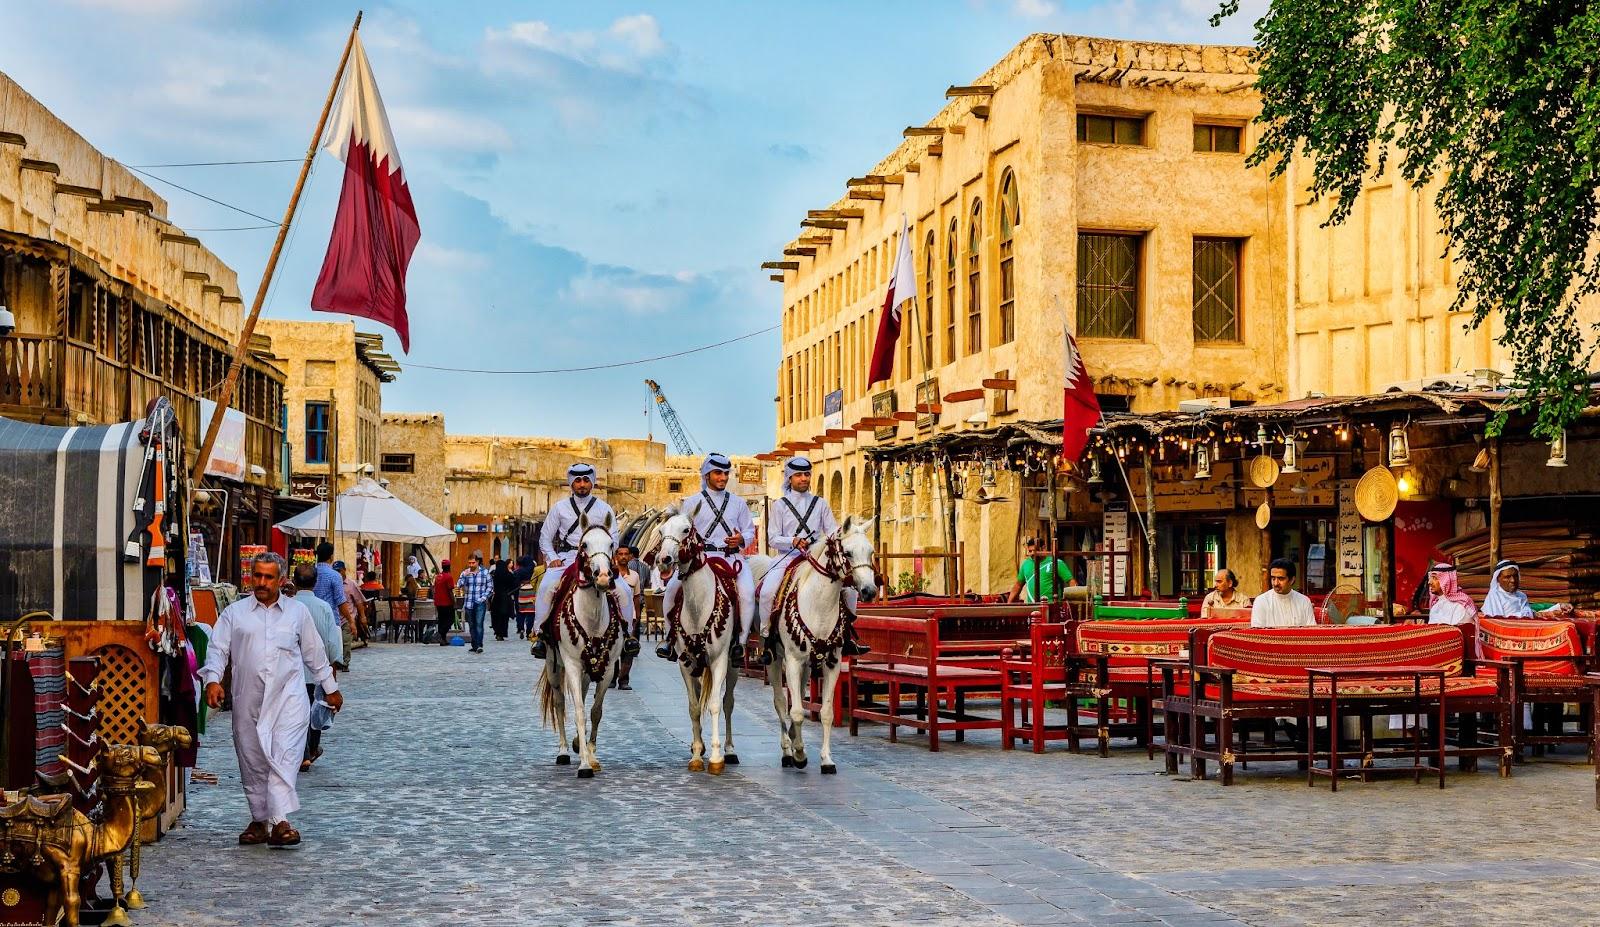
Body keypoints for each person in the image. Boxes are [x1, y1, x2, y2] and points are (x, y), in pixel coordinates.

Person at [200, 552, 342, 848]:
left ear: (281, 580)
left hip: (289, 699)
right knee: (252, 758)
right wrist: (212, 680)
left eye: (268, 577)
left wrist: (329, 686)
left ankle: (280, 822)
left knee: (285, 756)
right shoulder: (234, 614)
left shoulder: (296, 613)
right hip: (247, 698)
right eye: (257, 576)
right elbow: (218, 650)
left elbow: (314, 654)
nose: (262, 583)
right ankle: (259, 819)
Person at [756, 455, 869, 661]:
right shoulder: (780, 505)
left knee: (850, 590)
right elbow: (773, 538)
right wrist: (792, 541)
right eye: (798, 475)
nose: (804, 479)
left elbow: (833, 531)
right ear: (789, 478)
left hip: (817, 559)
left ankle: (846, 635)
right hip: (788, 557)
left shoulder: (821, 504)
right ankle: (767, 636)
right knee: (767, 591)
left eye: (807, 474)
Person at [530, 463, 640, 660]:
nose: (582, 484)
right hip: (567, 558)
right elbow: (545, 538)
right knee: (546, 587)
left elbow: (613, 538)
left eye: (586, 480)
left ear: (592, 483)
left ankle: (628, 636)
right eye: (578, 481)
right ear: (571, 484)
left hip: (597, 560)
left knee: (623, 590)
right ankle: (540, 635)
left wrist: (603, 557)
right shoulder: (559, 508)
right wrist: (553, 558)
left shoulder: (604, 508)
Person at [657, 453, 757, 662]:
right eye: (717, 473)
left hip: (730, 558)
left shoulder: (738, 503)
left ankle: (740, 641)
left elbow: (749, 532)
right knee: (671, 593)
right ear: (707, 475)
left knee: (747, 594)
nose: (722, 477)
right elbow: (680, 532)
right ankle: (670, 639)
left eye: (725, 473)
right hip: (700, 559)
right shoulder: (691, 502)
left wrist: (740, 539)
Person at [285, 564, 342, 772]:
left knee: (297, 713)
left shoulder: (288, 606)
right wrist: (332, 669)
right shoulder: (324, 607)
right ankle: (310, 749)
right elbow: (332, 642)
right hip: (318, 671)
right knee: (315, 709)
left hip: (293, 671)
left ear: (294, 580)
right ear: (316, 582)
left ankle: (304, 752)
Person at [313, 543, 357, 658]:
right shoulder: (335, 575)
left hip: (310, 618)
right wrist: (350, 620)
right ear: (331, 557)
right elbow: (341, 602)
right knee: (332, 659)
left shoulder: (311, 572)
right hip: (330, 621)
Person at [1007, 538, 1077, 603]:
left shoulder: (1056, 562)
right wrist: (1008, 605)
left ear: (1043, 548)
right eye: (1030, 551)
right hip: (1032, 608)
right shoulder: (1026, 564)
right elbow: (1018, 585)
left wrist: (1072, 602)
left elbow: (1071, 581)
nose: (1032, 554)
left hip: (1052, 607)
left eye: (1034, 550)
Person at [1251, 558, 1316, 628]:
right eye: (1273, 578)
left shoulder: (1304, 601)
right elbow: (1257, 633)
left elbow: (1312, 630)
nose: (1275, 583)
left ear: (1292, 580)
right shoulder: (1261, 601)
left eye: (1281, 579)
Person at [612, 545, 643, 690]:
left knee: (628, 648)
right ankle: (612, 678)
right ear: (616, 556)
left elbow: (637, 597)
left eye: (626, 554)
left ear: (630, 556)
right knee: (612, 646)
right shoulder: (610, 574)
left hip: (630, 616)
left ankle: (623, 680)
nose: (623, 557)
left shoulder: (635, 575)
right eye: (620, 554)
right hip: (612, 616)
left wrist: (637, 616)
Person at [455, 552, 493, 653]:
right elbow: (458, 585)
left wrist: (483, 598)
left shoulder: (485, 573)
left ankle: (479, 645)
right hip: (469, 603)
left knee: (479, 624)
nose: (471, 565)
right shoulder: (465, 573)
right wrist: (465, 577)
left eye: (473, 563)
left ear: (478, 562)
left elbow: (490, 587)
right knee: (471, 625)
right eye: (469, 563)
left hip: (480, 602)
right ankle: (474, 644)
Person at [335, 561, 365, 653]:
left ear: (344, 570)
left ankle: (344, 665)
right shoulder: (333, 583)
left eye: (339, 571)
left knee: (345, 643)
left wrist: (362, 616)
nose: (337, 573)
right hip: (334, 618)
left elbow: (359, 601)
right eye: (335, 571)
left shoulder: (351, 584)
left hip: (347, 619)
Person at [490, 557, 518, 642]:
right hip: (506, 597)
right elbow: (514, 585)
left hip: (496, 598)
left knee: (496, 616)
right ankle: (502, 633)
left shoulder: (495, 575)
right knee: (504, 616)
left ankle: (497, 632)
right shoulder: (509, 575)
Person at [432, 559, 457, 646]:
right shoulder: (449, 577)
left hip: (438, 602)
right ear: (449, 567)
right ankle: (440, 633)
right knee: (450, 619)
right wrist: (454, 601)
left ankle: (443, 639)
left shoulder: (438, 576)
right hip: (446, 602)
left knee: (441, 620)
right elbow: (450, 591)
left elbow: (435, 588)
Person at [513, 554, 538, 639]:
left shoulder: (519, 571)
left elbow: (515, 582)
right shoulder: (534, 570)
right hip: (531, 592)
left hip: (522, 592)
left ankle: (521, 628)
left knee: (520, 611)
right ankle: (528, 632)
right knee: (531, 613)